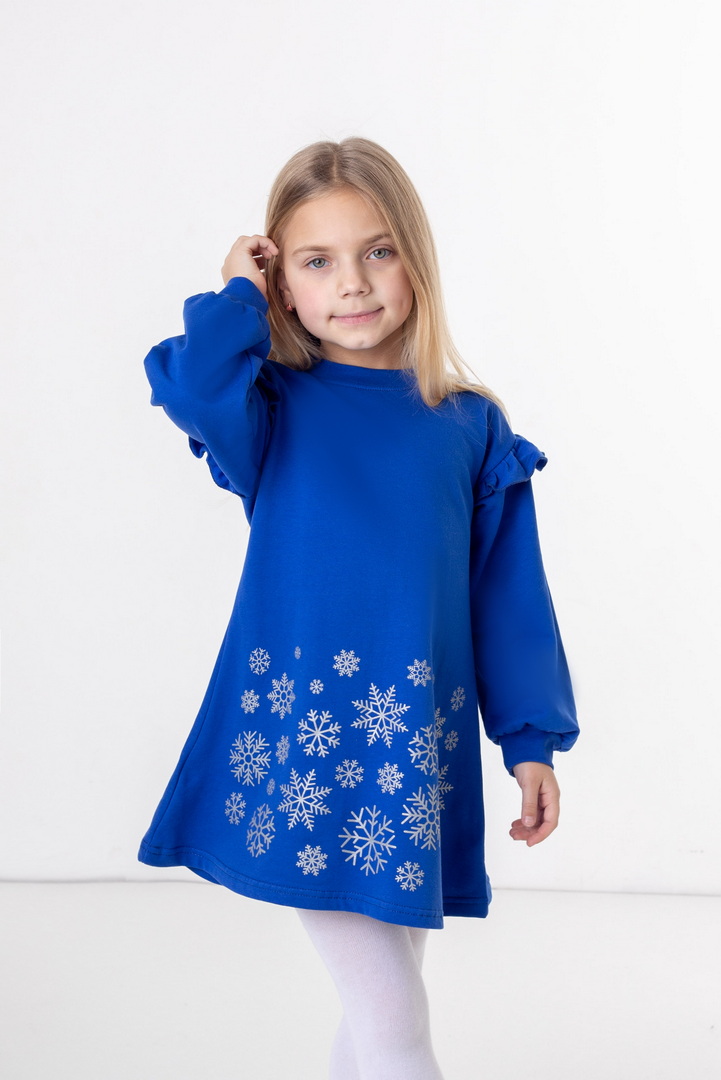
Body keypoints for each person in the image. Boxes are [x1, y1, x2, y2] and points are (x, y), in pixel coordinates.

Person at [138, 136, 579, 1079]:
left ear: (415, 258)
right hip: (308, 755)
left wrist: (530, 739)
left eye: (377, 251)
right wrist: (238, 295)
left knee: (380, 1010)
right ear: (282, 284)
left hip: (413, 757)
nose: (352, 283)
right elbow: (187, 382)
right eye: (315, 261)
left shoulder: (469, 424)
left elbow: (507, 596)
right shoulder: (268, 409)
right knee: (395, 1024)